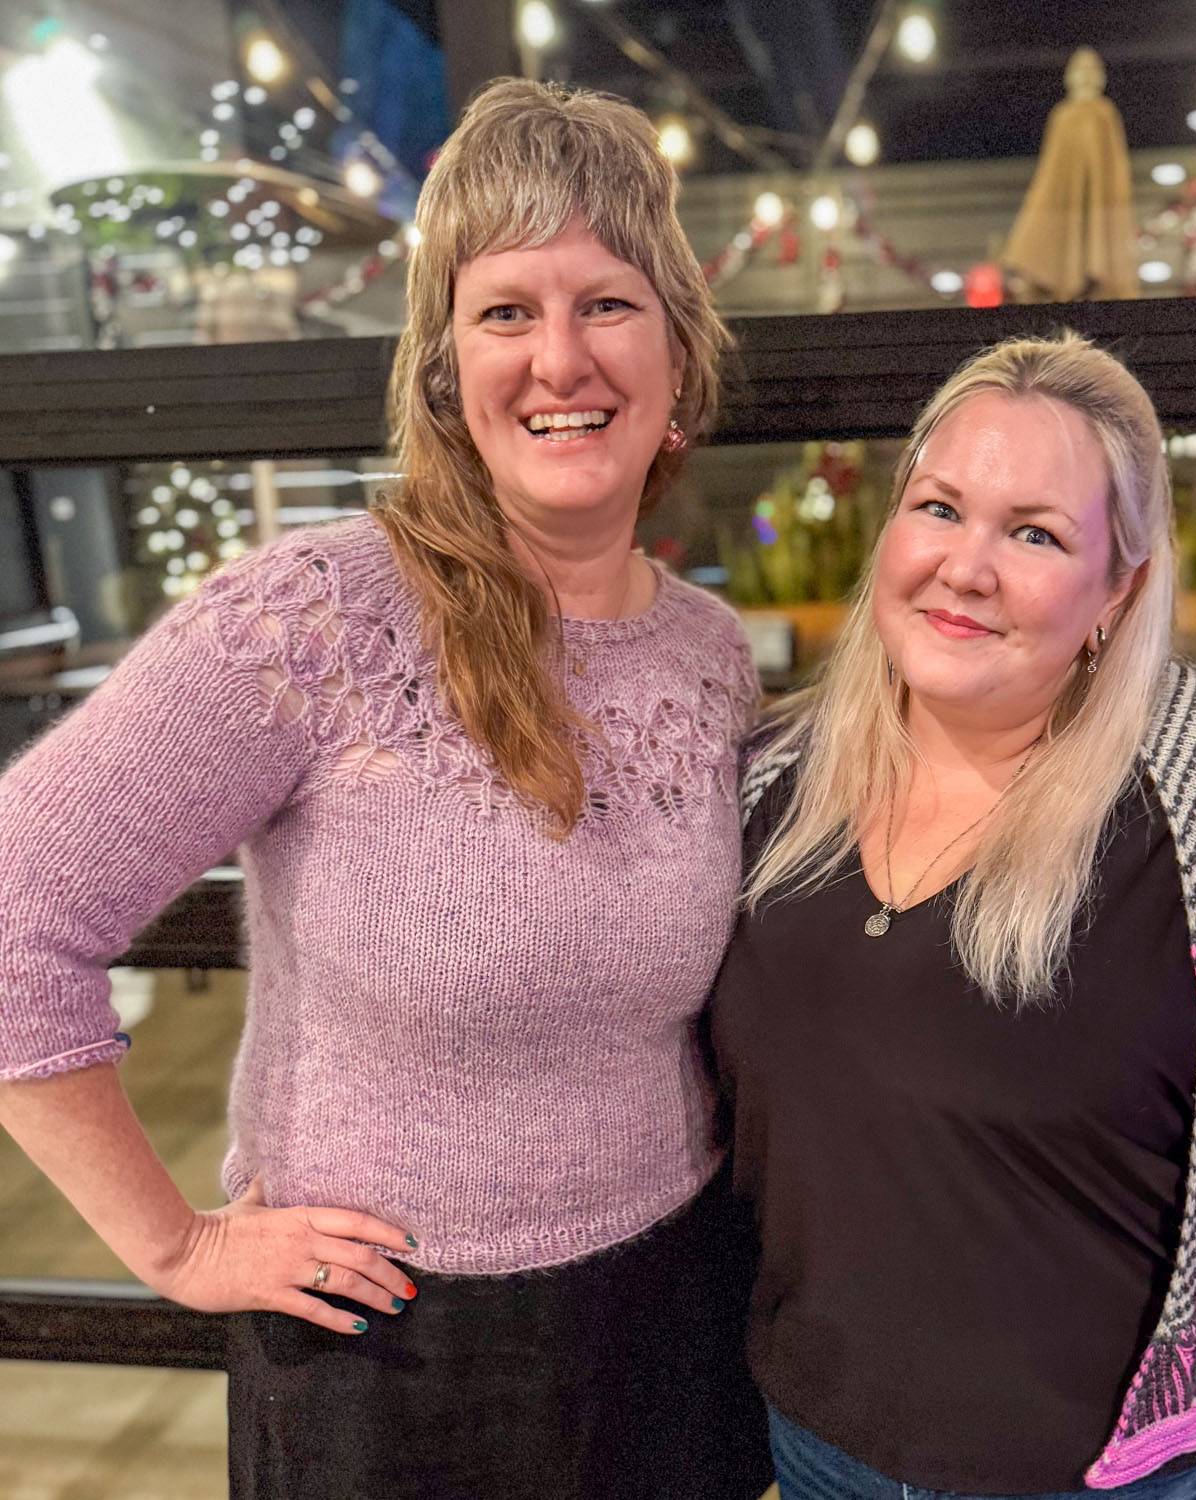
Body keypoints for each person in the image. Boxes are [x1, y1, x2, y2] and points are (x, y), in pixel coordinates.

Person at [0, 78, 772, 1500]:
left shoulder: (710, 654)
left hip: (675, 1329)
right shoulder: (320, 619)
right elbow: (13, 909)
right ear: (444, 368)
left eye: (607, 303)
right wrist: (174, 1246)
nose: (559, 357)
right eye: (505, 311)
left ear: (678, 352)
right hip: (391, 1366)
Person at [711, 332, 1196, 1497]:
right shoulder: (772, 779)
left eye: (1035, 534)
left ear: (1117, 588)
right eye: (939, 508)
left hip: (1141, 1479)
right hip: (825, 1453)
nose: (966, 566)